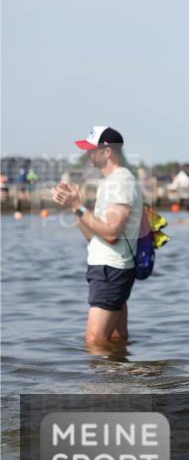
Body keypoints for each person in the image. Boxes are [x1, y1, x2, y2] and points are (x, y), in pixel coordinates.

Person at [50, 127, 143, 354]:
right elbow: (94, 236)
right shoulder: (112, 182)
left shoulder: (120, 182)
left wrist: (76, 206)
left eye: (91, 150)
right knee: (115, 339)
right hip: (109, 268)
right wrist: (75, 206)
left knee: (94, 341)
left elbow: (111, 233)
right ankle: (121, 385)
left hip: (111, 269)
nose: (87, 155)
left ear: (107, 151)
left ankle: (103, 388)